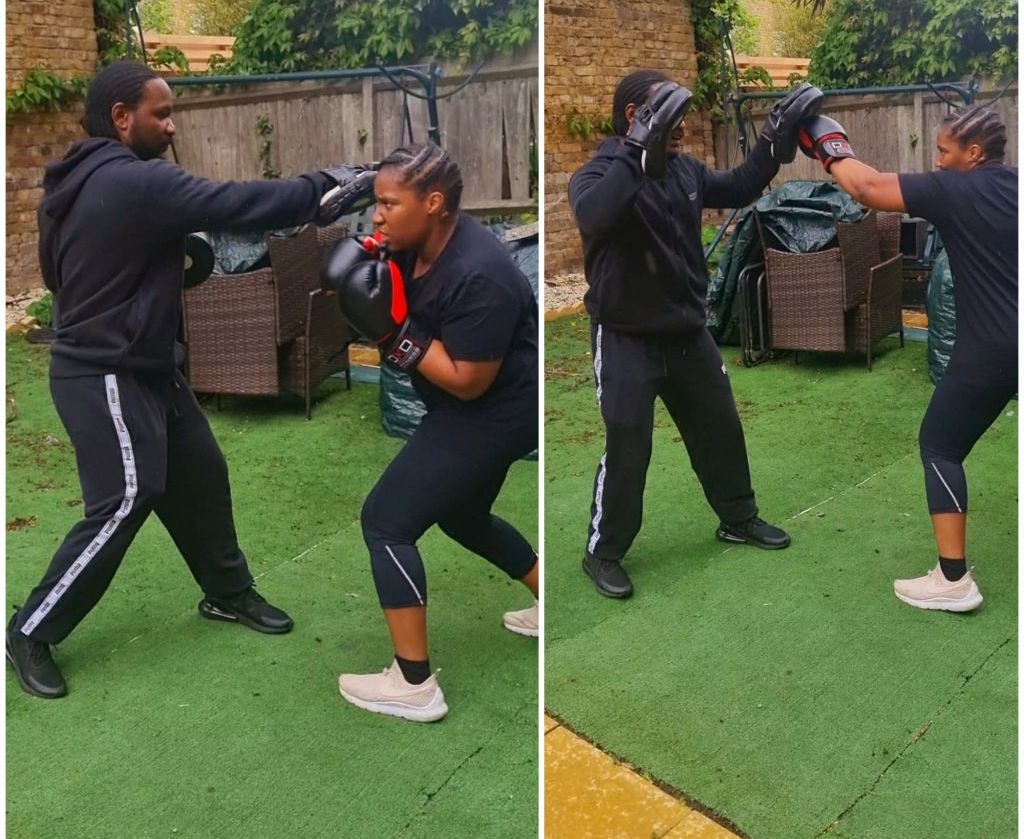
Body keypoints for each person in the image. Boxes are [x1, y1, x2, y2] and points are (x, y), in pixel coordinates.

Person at [6, 60, 356, 699]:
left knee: (201, 473)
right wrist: (327, 185)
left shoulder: (72, 183)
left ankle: (226, 592)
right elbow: (236, 204)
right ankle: (31, 628)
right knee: (126, 497)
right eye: (161, 114)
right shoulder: (136, 181)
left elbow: (59, 275)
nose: (171, 127)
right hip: (102, 372)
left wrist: (152, 272)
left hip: (148, 363)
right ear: (122, 118)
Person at [568, 71, 823, 599]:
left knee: (720, 428)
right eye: (670, 115)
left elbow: (740, 186)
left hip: (687, 333)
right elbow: (593, 217)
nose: (682, 125)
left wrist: (773, 141)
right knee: (628, 447)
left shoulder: (684, 170)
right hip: (625, 339)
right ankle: (603, 551)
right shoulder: (596, 175)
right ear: (636, 116)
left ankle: (738, 518)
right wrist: (636, 148)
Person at [323, 143, 538, 723]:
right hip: (479, 407)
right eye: (376, 202)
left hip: (492, 410)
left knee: (387, 522)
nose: (378, 215)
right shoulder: (412, 244)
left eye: (390, 204)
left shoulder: (480, 274)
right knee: (463, 516)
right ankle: (548, 596)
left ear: (434, 203)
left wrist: (392, 335)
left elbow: (467, 382)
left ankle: (413, 684)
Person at [798, 106, 1017, 611]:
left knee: (940, 445)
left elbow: (866, 187)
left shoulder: (954, 189)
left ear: (973, 154)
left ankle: (953, 580)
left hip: (992, 348)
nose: (937, 161)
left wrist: (827, 143)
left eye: (943, 151)